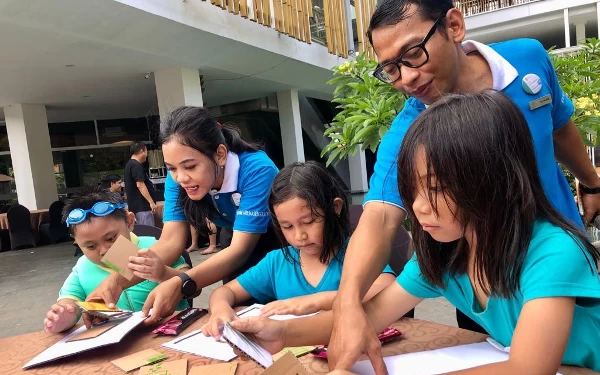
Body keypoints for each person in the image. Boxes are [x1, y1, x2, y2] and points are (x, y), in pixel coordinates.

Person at [228, 91, 600, 374]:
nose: (418, 207)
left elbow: (527, 369)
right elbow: (367, 316)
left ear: (494, 180)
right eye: (413, 189)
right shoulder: (443, 257)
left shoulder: (553, 252)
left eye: (436, 188)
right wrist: (283, 334)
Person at [330, 0, 600, 368]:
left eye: (413, 54)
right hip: (485, 279)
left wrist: (591, 182)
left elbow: (559, 126)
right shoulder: (411, 133)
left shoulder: (528, 59)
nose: (406, 78)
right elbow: (378, 218)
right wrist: (347, 304)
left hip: (549, 264)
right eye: (391, 69)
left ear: (454, 26)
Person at [201, 162, 396, 339]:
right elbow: (225, 291)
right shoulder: (277, 263)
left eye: (309, 222)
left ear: (335, 208)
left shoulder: (357, 252)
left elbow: (387, 288)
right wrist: (220, 310)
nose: (299, 235)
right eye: (287, 226)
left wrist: (317, 301)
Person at [42, 187, 189, 334]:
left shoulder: (156, 248)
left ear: (130, 221)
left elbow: (192, 283)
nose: (104, 250)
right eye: (91, 246)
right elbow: (70, 300)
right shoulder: (83, 268)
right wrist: (66, 315)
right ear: (76, 243)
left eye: (111, 238)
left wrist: (163, 274)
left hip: (172, 331)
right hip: (120, 342)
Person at [124, 141, 158, 226]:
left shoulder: (129, 165)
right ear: (141, 151)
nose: (147, 155)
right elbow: (140, 185)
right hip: (142, 207)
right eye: (146, 151)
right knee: (148, 233)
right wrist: (151, 202)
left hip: (136, 207)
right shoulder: (136, 165)